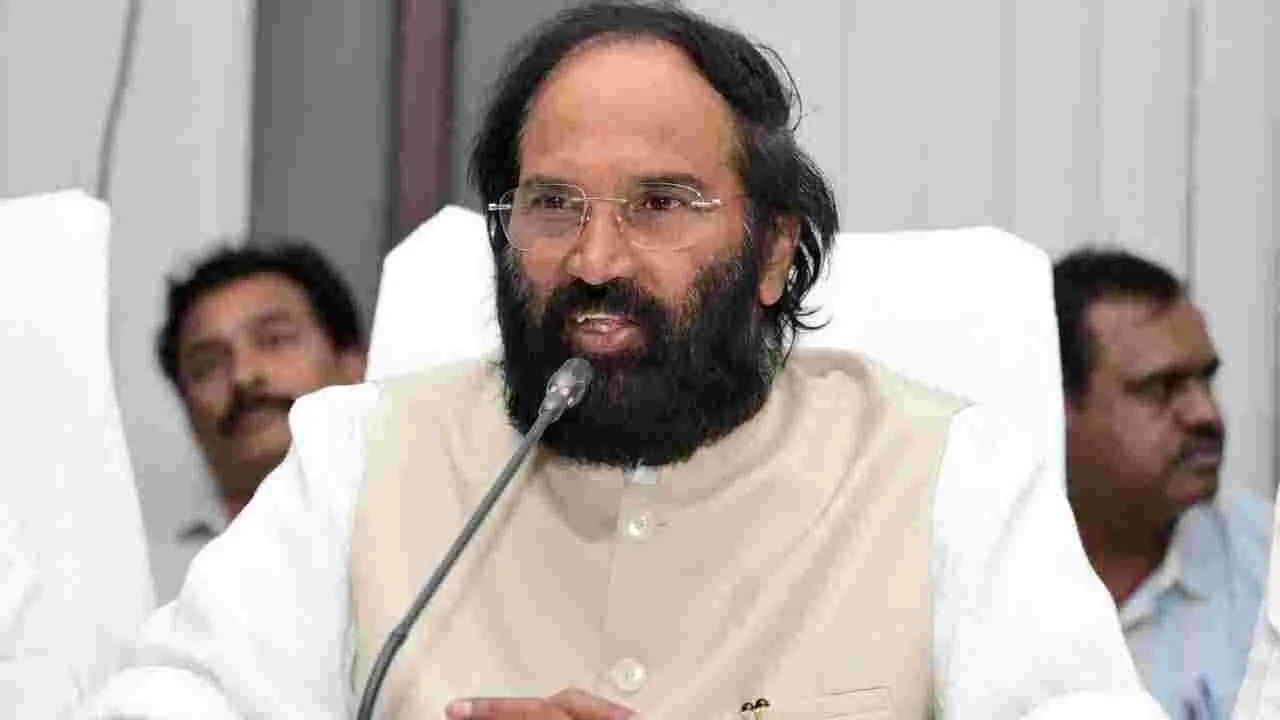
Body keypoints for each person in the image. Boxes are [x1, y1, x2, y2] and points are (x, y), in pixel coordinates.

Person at [87, 3, 1164, 717]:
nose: (594, 260)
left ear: (773, 252)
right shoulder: (358, 457)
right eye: (553, 205)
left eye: (660, 205)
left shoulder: (949, 476)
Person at [1054, 248, 1270, 719]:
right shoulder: (973, 578)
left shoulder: (1266, 570)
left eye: (1205, 380)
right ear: (1058, 405)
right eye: (1160, 388)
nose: (1206, 414)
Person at [149, 240, 367, 600]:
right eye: (207, 365)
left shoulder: (433, 540)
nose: (243, 375)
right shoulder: (150, 590)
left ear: (353, 364)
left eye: (274, 340)